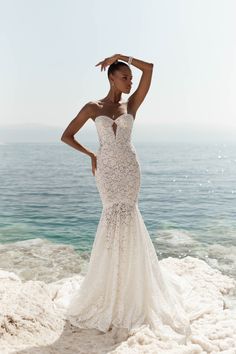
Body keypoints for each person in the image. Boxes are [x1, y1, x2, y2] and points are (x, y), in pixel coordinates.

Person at [61, 54, 194, 344]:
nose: (130, 81)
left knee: (129, 217)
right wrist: (91, 154)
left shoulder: (130, 104)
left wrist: (122, 57)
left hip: (129, 169)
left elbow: (150, 69)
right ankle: (110, 287)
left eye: (130, 78)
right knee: (111, 220)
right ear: (111, 78)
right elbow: (66, 135)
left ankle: (131, 290)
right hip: (107, 171)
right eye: (124, 76)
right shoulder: (92, 107)